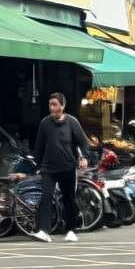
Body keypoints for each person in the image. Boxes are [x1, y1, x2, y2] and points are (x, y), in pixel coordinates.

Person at [30, 91, 91, 243]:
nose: (51, 108)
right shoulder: (45, 123)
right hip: (48, 169)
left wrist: (84, 157)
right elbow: (39, 147)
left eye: (54, 105)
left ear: (62, 106)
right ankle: (44, 231)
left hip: (67, 168)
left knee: (69, 199)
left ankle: (71, 230)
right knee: (46, 198)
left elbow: (84, 143)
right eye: (50, 105)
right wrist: (37, 165)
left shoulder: (72, 122)